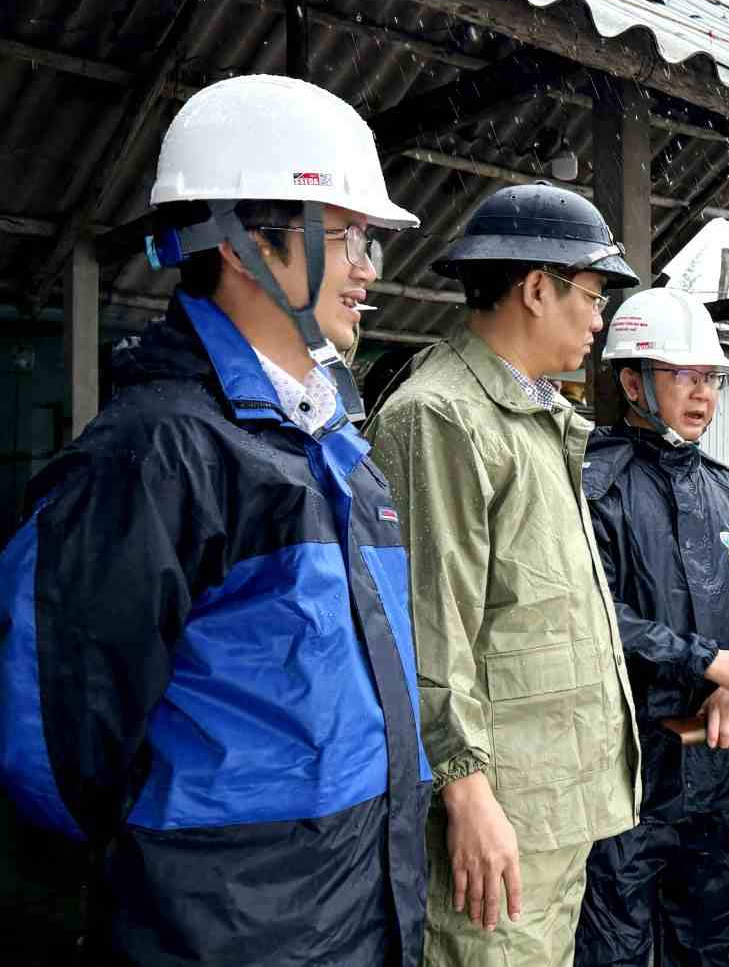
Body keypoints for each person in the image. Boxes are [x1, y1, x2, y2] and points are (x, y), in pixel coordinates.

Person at [0, 74, 430, 965]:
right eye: (350, 237)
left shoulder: (336, 447)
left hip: (359, 921)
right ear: (241, 245)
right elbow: (51, 755)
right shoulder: (155, 457)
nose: (367, 269)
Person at [364, 183, 642, 967]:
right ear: (534, 289)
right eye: (591, 296)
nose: (598, 319)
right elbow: (430, 624)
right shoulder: (440, 416)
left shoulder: (535, 418)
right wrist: (466, 790)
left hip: (551, 803)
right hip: (498, 814)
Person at [574, 288, 729, 967]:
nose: (702, 395)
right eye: (682, 376)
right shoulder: (593, 486)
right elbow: (595, 615)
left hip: (717, 768)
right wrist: (712, 662)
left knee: (709, 941)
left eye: (711, 378)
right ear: (633, 380)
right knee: (614, 946)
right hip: (626, 771)